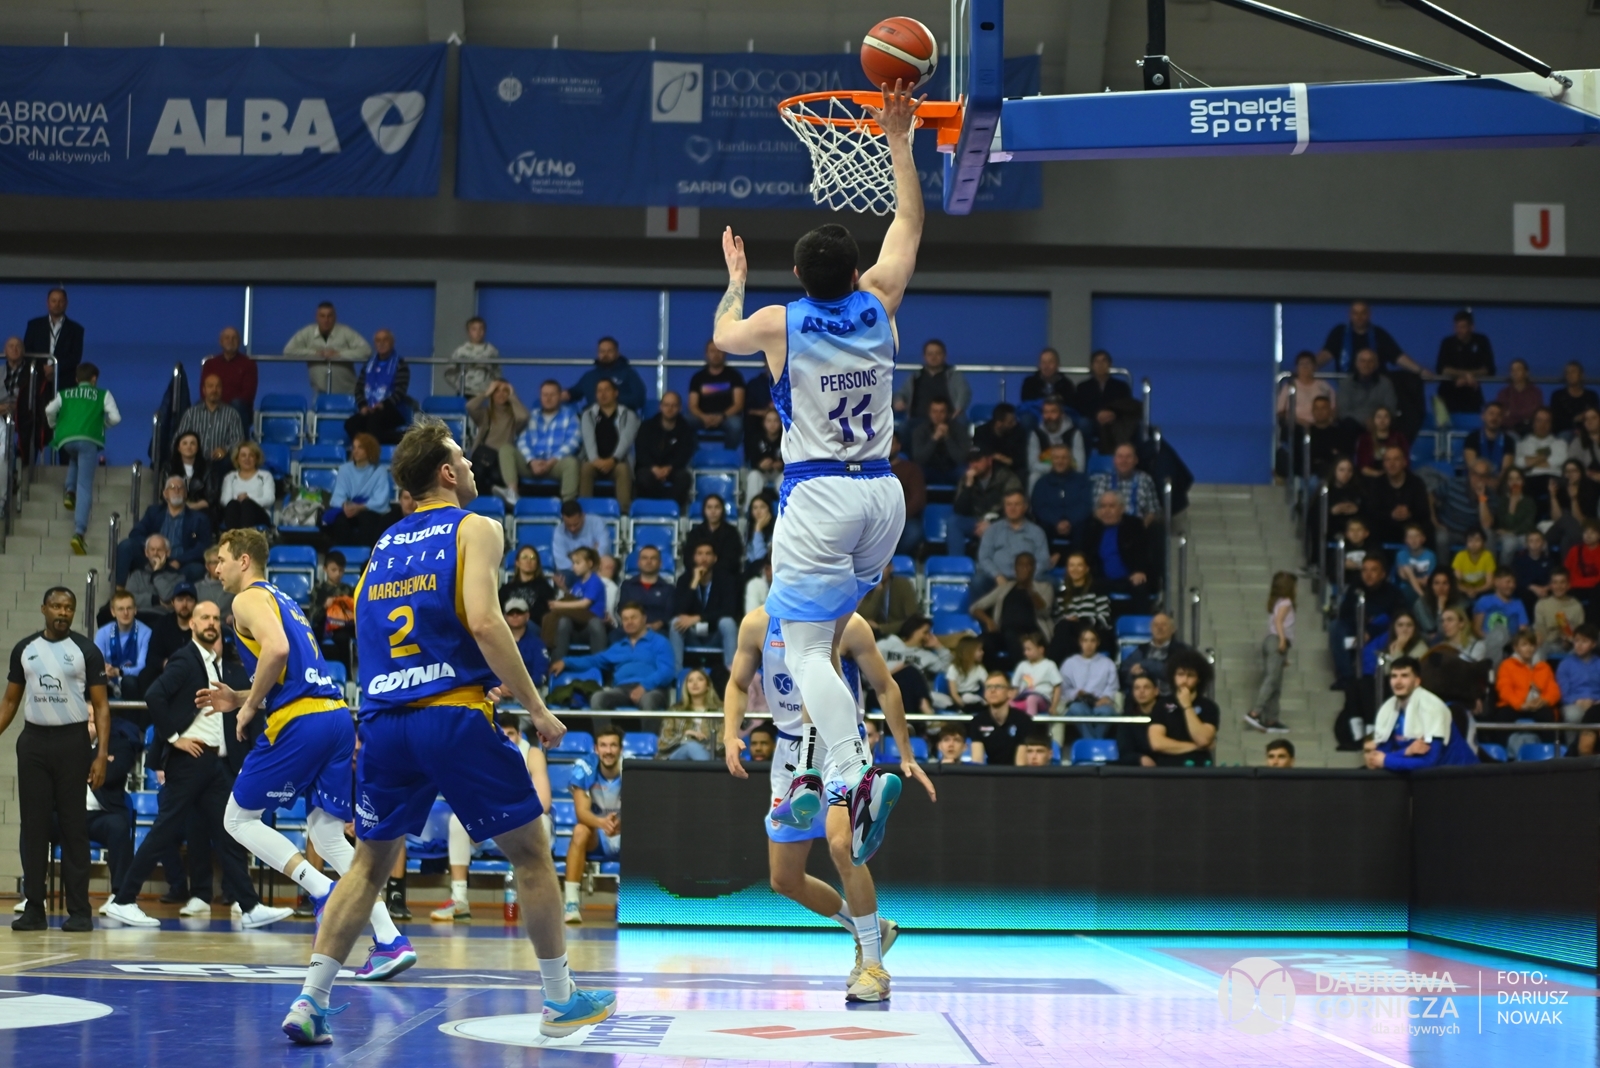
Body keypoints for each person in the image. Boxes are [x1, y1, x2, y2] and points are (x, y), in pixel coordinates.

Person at [281, 417, 613, 1043]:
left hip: (384, 721)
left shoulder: (382, 545)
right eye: (462, 456)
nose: (470, 464)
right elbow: (486, 622)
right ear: (445, 472)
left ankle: (310, 1000)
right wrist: (537, 708)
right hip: (452, 715)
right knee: (532, 853)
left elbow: (369, 634)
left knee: (367, 867)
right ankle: (560, 1000)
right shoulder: (476, 526)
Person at [713, 85, 921, 867]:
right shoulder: (880, 301)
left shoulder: (780, 322)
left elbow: (722, 334)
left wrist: (736, 276)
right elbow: (908, 225)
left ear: (799, 275)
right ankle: (829, 769)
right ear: (856, 271)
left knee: (801, 654)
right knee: (827, 638)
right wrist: (898, 141)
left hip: (820, 493)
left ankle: (854, 773)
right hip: (884, 496)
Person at [157, 532, 409, 969]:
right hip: (334, 716)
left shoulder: (246, 600)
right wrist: (240, 696)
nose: (216, 569)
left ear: (244, 560)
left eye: (222, 560)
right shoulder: (284, 599)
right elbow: (291, 671)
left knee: (237, 819)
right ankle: (389, 939)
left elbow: (277, 650)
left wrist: (248, 708)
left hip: (301, 722)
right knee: (327, 835)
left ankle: (322, 890)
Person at [722, 608, 934, 1001]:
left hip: (841, 744)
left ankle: (874, 967)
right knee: (784, 879)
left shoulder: (849, 623)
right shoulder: (756, 624)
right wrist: (730, 733)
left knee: (842, 846)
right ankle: (870, 929)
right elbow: (736, 684)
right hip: (790, 749)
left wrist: (906, 753)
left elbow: (886, 686)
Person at [98, 599, 296, 930]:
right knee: (164, 830)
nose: (211, 623)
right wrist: (174, 737)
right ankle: (123, 899)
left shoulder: (211, 661)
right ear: (191, 624)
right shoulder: (186, 659)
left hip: (214, 764)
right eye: (204, 618)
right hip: (190, 761)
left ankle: (250, 906)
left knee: (230, 832)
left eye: (215, 618)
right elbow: (154, 695)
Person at [0, 588, 109, 931]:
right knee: (34, 827)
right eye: (57, 606)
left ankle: (79, 911)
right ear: (43, 608)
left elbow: (101, 706)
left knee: (74, 827)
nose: (63, 612)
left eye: (69, 608)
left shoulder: (86, 651)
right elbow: (9, 701)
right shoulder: (25, 649)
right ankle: (34, 908)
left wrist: (101, 754)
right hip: (33, 743)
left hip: (72, 743)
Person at [431, 715, 552, 921]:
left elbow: (544, 803)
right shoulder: (479, 753)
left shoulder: (532, 754)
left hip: (520, 823)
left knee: (544, 822)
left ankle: (540, 901)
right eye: (499, 734)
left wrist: (511, 816)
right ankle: (459, 900)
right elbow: (467, 799)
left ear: (519, 735)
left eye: (510, 734)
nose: (504, 738)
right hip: (490, 824)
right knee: (458, 821)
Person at [44, 362, 121, 555]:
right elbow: (116, 418)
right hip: (88, 440)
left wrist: (54, 425)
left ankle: (69, 491)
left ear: (77, 379)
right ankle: (79, 532)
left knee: (74, 457)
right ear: (94, 379)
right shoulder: (103, 394)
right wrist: (102, 425)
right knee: (85, 487)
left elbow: (49, 410)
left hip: (66, 439)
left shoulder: (65, 393)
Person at [551, 601, 674, 711]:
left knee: (649, 700)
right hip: (622, 690)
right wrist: (566, 662)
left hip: (653, 689)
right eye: (625, 619)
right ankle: (606, 731)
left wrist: (644, 686)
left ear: (644, 619)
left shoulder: (659, 642)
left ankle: (650, 732)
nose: (629, 622)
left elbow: (667, 671)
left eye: (633, 617)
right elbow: (593, 660)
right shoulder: (618, 647)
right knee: (598, 698)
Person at [1364, 657, 1476, 770]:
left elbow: (1430, 761)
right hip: (1430, 777)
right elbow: (1380, 756)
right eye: (1394, 676)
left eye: (1404, 676)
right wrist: (1407, 751)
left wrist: (1387, 760)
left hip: (1463, 775)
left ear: (1417, 681)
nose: (1398, 682)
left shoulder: (1432, 707)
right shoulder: (1387, 709)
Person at [562, 726, 623, 923]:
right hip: (597, 835)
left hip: (624, 832)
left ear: (621, 749)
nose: (608, 751)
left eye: (613, 745)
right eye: (603, 745)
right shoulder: (585, 767)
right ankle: (571, 903)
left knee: (645, 831)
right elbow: (582, 813)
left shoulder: (632, 768)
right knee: (580, 830)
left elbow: (642, 811)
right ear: (596, 749)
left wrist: (620, 824)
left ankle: (627, 900)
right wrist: (602, 823)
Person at [969, 551, 1053, 670]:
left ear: (1033, 568)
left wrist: (1030, 589)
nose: (1024, 568)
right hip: (1004, 633)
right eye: (1020, 565)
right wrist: (988, 620)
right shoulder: (1005, 588)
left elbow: (1045, 611)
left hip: (1032, 634)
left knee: (1011, 635)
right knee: (982, 642)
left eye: (1028, 565)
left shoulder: (1044, 587)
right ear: (1015, 568)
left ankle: (1023, 672)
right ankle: (995, 673)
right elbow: (975, 608)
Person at [1329, 555, 1403, 689]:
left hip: (1380, 633)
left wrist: (1370, 632)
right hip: (1357, 630)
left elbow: (1398, 619)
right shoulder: (1355, 588)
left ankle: (1370, 679)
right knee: (1335, 627)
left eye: (1373, 570)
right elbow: (1344, 614)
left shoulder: (1393, 593)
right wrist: (1361, 629)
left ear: (1383, 574)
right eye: (1364, 570)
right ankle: (1347, 677)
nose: (1368, 575)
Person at [668, 543, 740, 669]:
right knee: (675, 623)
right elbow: (678, 610)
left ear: (715, 558)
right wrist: (694, 582)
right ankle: (676, 675)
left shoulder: (726, 579)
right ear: (694, 557)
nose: (704, 558)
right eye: (699, 554)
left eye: (708, 554)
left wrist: (699, 618)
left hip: (715, 633)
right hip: (692, 633)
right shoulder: (684, 579)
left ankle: (732, 673)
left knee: (728, 622)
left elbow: (729, 610)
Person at [975, 490, 1051, 600]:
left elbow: (1043, 560)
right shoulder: (992, 530)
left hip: (1029, 578)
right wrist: (997, 575)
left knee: (1052, 582)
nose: (1012, 508)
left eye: (1017, 504)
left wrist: (1026, 577)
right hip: (997, 579)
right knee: (978, 582)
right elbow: (984, 557)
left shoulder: (1037, 532)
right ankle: (981, 611)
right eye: (1009, 504)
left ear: (1025, 507)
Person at [1245, 571, 1297, 734]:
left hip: (1272, 642)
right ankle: (1255, 712)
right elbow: (1278, 621)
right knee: (1272, 679)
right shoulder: (1286, 602)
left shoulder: (1277, 602)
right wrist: (1282, 640)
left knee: (1276, 683)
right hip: (1276, 640)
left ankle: (1272, 719)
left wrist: (1284, 656)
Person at [1146, 654, 1219, 768]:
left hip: (1199, 769)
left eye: (1190, 675)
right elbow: (1157, 743)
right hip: (1168, 768)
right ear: (1173, 677)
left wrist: (1187, 706)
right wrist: (1196, 747)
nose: (1184, 680)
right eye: (1180, 674)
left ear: (1199, 679)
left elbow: (1203, 739)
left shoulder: (1208, 706)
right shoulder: (1161, 705)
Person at [284, 301, 371, 396]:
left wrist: (338, 354)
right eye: (322, 316)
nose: (326, 320)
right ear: (316, 317)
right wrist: (316, 353)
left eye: (330, 316)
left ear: (335, 317)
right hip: (320, 394)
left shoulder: (345, 332)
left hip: (348, 392)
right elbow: (288, 351)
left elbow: (366, 351)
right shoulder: (307, 332)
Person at [1082, 491, 1153, 605]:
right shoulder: (1092, 527)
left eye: (1111, 506)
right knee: (1089, 587)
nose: (1107, 511)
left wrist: (1140, 570)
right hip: (1102, 579)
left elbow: (1143, 552)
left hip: (1130, 577)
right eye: (1103, 506)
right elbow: (1085, 555)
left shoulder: (1134, 525)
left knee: (1140, 587)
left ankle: (1142, 617)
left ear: (1121, 509)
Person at [517, 380, 583, 501]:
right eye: (545, 395)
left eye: (552, 395)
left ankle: (568, 504)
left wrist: (550, 462)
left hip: (555, 464)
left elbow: (573, 442)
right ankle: (512, 495)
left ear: (560, 396)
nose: (548, 398)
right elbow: (522, 441)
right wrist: (532, 461)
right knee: (506, 450)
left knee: (571, 463)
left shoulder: (570, 415)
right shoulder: (533, 415)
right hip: (533, 465)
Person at [342, 330, 411, 446]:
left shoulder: (400, 364)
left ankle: (371, 451)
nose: (381, 343)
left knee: (373, 423)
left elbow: (400, 391)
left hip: (393, 410)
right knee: (351, 424)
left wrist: (383, 405)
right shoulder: (368, 364)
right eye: (378, 340)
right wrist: (363, 405)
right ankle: (366, 448)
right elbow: (359, 388)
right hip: (370, 410)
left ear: (392, 342)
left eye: (385, 340)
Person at [577, 378, 637, 511]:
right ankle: (584, 512)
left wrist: (613, 459)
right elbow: (588, 439)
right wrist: (595, 460)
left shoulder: (629, 415)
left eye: (607, 390)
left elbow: (626, 440)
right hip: (594, 462)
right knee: (586, 468)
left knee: (623, 469)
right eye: (599, 391)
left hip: (618, 462)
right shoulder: (588, 414)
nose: (603, 394)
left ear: (616, 393)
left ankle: (623, 514)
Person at [324, 433, 394, 546]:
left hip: (369, 510)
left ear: (369, 450)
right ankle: (343, 552)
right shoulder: (344, 470)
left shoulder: (380, 471)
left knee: (367, 519)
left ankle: (365, 554)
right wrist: (345, 505)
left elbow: (381, 499)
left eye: (360, 447)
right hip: (349, 508)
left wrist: (360, 507)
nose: (355, 451)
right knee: (341, 521)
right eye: (354, 447)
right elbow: (338, 495)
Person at [466, 378, 529, 503]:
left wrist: (512, 396)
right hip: (484, 458)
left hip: (502, 460)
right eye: (497, 391)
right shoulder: (485, 414)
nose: (501, 394)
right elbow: (470, 406)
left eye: (505, 391)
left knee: (498, 476)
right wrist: (486, 393)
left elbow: (524, 417)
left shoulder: (513, 416)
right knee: (476, 473)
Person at [542, 546, 608, 662]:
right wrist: (564, 588)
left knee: (559, 613)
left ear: (589, 563)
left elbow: (584, 604)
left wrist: (559, 606)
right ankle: (556, 661)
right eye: (573, 563)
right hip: (576, 625)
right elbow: (573, 598)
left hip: (590, 623)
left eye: (577, 563)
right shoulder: (578, 583)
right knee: (563, 621)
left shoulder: (594, 581)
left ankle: (599, 666)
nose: (574, 567)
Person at [1363, 446, 1434, 546]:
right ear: (1383, 464)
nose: (1392, 464)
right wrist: (1391, 514)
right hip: (1386, 526)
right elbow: (1372, 511)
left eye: (1396, 459)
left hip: (1411, 525)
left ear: (1404, 462)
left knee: (1427, 528)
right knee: (1371, 528)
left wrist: (1409, 513)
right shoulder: (1377, 484)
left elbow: (1423, 511)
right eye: (1388, 460)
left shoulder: (1416, 482)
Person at [1048, 551, 1112, 662]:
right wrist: (1067, 620)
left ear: (1086, 569)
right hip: (1068, 634)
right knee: (1065, 630)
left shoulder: (1098, 589)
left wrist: (1082, 620)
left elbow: (1105, 617)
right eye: (1071, 565)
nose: (1075, 569)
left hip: (1092, 632)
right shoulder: (1061, 595)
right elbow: (1056, 620)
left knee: (1066, 631)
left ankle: (1051, 665)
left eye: (1079, 565)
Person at [635, 390, 696, 505]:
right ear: (660, 407)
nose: (670, 409)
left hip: (674, 468)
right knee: (643, 477)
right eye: (666, 405)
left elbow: (684, 453)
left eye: (674, 405)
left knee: (684, 478)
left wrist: (668, 468)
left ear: (680, 408)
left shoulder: (685, 429)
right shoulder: (647, 426)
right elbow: (641, 451)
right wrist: (654, 468)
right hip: (650, 468)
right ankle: (653, 506)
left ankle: (671, 506)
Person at [175, 372, 246, 469]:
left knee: (226, 462)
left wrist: (225, 450)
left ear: (222, 390)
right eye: (210, 386)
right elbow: (179, 438)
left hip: (219, 462)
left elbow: (239, 441)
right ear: (204, 390)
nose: (214, 390)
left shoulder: (232, 414)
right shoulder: (191, 413)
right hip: (194, 460)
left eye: (218, 387)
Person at [894, 339, 971, 425]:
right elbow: (901, 393)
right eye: (930, 354)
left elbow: (964, 392)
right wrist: (899, 401)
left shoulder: (954, 376)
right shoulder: (915, 376)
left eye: (937, 354)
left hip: (948, 421)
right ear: (924, 356)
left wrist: (958, 409)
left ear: (945, 356)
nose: (933, 357)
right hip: (918, 421)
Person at [1434, 309, 1495, 417]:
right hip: (1447, 393)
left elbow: (1489, 369)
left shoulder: (1482, 341)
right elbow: (1442, 369)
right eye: (1457, 327)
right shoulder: (1447, 342)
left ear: (1472, 327)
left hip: (1472, 395)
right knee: (1443, 425)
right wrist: (1467, 376)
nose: (1459, 330)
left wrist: (1466, 377)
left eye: (1463, 327)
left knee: (1474, 423)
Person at [1077, 349, 1139, 453]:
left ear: (1110, 364)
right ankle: (1084, 456)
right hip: (1092, 421)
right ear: (1092, 366)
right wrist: (1097, 415)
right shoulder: (1082, 387)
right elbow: (1079, 407)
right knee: (1083, 424)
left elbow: (1127, 406)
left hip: (1116, 421)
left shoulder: (1121, 386)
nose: (1100, 365)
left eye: (1104, 361)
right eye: (1097, 361)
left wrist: (1113, 414)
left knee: (1135, 426)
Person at [686, 340, 746, 448]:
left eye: (719, 351)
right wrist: (704, 417)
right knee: (683, 422)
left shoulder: (735, 376)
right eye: (712, 351)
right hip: (702, 417)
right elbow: (692, 405)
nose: (716, 354)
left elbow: (738, 404)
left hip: (727, 417)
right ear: (706, 354)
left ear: (725, 353)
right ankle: (694, 454)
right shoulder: (697, 377)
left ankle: (728, 455)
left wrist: (721, 416)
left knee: (736, 425)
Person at [1060, 627, 1118, 738]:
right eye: (1085, 640)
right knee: (1076, 709)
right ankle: (1095, 743)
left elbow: (1112, 687)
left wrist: (1106, 697)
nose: (1089, 644)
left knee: (1106, 712)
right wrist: (1076, 693)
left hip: (1101, 702)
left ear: (1097, 643)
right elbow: (1063, 689)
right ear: (1080, 642)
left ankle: (1090, 743)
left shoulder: (1107, 663)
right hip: (1079, 702)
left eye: (1092, 640)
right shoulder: (1070, 663)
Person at [23, 286, 85, 389]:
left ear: (66, 303)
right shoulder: (34, 325)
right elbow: (27, 352)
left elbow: (75, 357)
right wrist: (42, 368)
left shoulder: (76, 329)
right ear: (47, 303)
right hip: (37, 379)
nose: (57, 304)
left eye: (61, 301)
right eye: (54, 301)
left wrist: (54, 368)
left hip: (64, 381)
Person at [1492, 627, 1560, 720]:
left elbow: (1554, 691)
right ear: (1516, 648)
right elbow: (1504, 690)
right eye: (1524, 645)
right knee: (1503, 716)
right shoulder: (1506, 665)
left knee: (1547, 715)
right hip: (1514, 705)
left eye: (1532, 645)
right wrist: (1521, 705)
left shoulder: (1544, 667)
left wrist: (1544, 701)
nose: (1529, 648)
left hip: (1538, 705)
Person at [1118, 611, 1192, 697]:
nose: (1159, 628)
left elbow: (1171, 672)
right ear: (1151, 629)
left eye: (1164, 625)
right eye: (1156, 625)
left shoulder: (1182, 650)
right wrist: (1134, 674)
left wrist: (1145, 664)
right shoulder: (1142, 649)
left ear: (1173, 629)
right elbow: (1124, 670)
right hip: (1143, 698)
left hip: (1171, 697)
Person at [96, 589, 152, 701]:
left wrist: (119, 672)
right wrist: (105, 670)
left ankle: (131, 714)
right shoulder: (103, 632)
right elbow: (96, 662)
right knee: (94, 681)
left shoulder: (146, 632)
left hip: (133, 681)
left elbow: (142, 667)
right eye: (120, 609)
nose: (125, 613)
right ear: (113, 612)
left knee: (129, 682)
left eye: (129, 608)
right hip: (109, 679)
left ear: (135, 610)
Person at [563, 336, 646, 411]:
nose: (605, 354)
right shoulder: (589, 376)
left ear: (617, 353)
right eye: (602, 351)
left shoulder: (628, 373)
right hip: (593, 419)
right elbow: (573, 393)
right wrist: (560, 395)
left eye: (609, 351)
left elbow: (639, 399)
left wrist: (612, 400)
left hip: (623, 418)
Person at [201, 326, 258, 429]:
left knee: (237, 404)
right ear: (221, 341)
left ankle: (239, 439)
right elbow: (204, 390)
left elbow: (248, 395)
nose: (230, 341)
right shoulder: (210, 364)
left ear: (239, 342)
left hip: (237, 409)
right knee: (199, 406)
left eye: (234, 338)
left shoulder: (249, 364)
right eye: (227, 338)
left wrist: (224, 408)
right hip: (214, 404)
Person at [967, 672, 1028, 766]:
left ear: (1009, 692)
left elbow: (1021, 764)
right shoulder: (978, 721)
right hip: (989, 774)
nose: (992, 690)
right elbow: (977, 760)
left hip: (1015, 773)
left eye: (998, 686)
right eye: (988, 687)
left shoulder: (1023, 720)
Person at [1090, 444, 1160, 526]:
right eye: (1120, 457)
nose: (1124, 461)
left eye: (1128, 457)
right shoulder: (1103, 480)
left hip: (1138, 528)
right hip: (1109, 527)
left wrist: (1140, 529)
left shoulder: (1145, 480)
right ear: (1114, 460)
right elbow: (1096, 510)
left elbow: (1153, 512)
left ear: (1136, 460)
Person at [1558, 624, 1600, 756]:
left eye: (1584, 641)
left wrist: (1596, 702)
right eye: (1576, 641)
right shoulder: (1565, 664)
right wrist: (1578, 701)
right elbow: (1563, 693)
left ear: (1593, 644)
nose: (1579, 645)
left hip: (1597, 704)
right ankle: (1573, 754)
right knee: (1573, 715)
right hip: (1574, 703)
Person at [1026, 397, 1086, 490]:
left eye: (1053, 412)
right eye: (1045, 412)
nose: (1049, 416)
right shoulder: (1036, 434)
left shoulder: (1074, 433)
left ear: (1062, 414)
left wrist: (1062, 468)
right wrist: (1055, 467)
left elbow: (1079, 467)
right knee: (1033, 477)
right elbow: (1032, 465)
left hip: (1069, 473)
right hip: (1045, 474)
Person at [660, 669, 720, 760]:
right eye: (690, 681)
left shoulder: (719, 711)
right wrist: (685, 736)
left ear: (708, 686)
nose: (694, 683)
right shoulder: (675, 710)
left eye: (700, 679)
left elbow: (724, 742)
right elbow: (664, 741)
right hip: (679, 755)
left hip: (711, 754)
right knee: (691, 746)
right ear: (686, 687)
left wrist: (704, 742)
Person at [1482, 466, 1536, 565]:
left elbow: (1528, 524)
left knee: (1539, 544)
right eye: (1511, 479)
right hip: (1504, 536)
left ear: (1523, 481)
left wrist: (1513, 532)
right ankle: (1503, 571)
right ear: (1507, 482)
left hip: (1522, 534)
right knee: (1510, 543)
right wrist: (1512, 506)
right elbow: (1504, 524)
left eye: (1518, 479)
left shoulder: (1529, 501)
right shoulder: (1502, 501)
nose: (1515, 482)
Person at [1336, 348, 1399, 432]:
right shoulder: (1346, 383)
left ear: (1376, 364)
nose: (1366, 365)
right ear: (1357, 364)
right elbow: (1343, 411)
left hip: (1379, 422)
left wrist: (1375, 420)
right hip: (1353, 424)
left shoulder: (1385, 383)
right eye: (1363, 361)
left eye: (1370, 361)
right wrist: (1364, 420)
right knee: (1347, 424)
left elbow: (1390, 409)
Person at [911, 397, 971, 483]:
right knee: (915, 472)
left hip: (952, 468)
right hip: (928, 469)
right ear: (929, 413)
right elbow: (919, 458)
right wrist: (934, 438)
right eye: (934, 411)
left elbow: (961, 458)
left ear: (948, 414)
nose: (937, 415)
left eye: (942, 412)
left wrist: (947, 438)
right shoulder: (920, 430)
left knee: (965, 472)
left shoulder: (959, 430)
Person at [683, 493, 742, 580]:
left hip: (724, 575)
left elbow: (732, 560)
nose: (713, 511)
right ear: (704, 510)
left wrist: (710, 571)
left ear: (722, 510)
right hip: (698, 573)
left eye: (717, 507)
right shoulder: (695, 533)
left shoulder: (731, 533)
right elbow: (688, 558)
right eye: (709, 507)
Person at [219, 441, 275, 531]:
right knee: (233, 504)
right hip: (235, 513)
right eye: (243, 455)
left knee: (247, 504)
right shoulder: (230, 477)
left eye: (251, 455)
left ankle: (245, 537)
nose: (247, 459)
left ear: (256, 458)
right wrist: (239, 499)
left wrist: (248, 498)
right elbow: (224, 500)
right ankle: (233, 536)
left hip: (260, 515)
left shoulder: (265, 476)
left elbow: (269, 499)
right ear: (237, 459)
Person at [858, 560, 919, 640]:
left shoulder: (903, 585)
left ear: (891, 568)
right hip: (873, 637)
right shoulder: (866, 587)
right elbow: (864, 619)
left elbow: (913, 621)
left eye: (883, 567)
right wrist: (877, 592)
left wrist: (881, 628)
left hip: (900, 637)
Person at [1548, 459, 1598, 555]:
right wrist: (1553, 496)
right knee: (1566, 517)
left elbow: (1582, 521)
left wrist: (1574, 499)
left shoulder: (1591, 489)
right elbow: (1557, 519)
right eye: (1567, 471)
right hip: (1563, 528)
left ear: (1581, 473)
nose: (1570, 474)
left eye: (1574, 471)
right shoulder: (1560, 489)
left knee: (1566, 540)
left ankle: (1566, 565)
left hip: (1581, 528)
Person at [551, 499, 613, 576]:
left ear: (583, 516)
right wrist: (587, 562)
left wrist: (578, 563)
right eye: (568, 525)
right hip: (572, 572)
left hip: (596, 569)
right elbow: (561, 562)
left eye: (576, 524)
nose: (572, 529)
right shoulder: (559, 531)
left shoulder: (597, 523)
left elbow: (603, 549)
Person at [445, 316, 502, 399]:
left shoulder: (491, 351)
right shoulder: (461, 351)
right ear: (468, 332)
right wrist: (459, 385)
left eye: (481, 329)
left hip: (485, 392)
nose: (478, 332)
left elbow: (497, 372)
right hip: (465, 392)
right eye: (474, 329)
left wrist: (491, 386)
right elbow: (449, 372)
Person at [1276, 350, 1335, 428]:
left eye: (1308, 363)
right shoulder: (1289, 386)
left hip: (1321, 427)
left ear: (1314, 367)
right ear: (1296, 368)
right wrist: (1296, 420)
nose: (1305, 367)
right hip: (1296, 426)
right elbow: (1280, 411)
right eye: (1301, 364)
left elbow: (1333, 409)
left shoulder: (1324, 386)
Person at [1009, 632, 1062, 716]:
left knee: (1031, 699)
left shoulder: (1049, 665)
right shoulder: (1022, 665)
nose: (1025, 653)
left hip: (1042, 699)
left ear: (1041, 650)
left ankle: (1029, 724)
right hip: (1023, 698)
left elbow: (1057, 687)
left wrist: (1054, 706)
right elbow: (1015, 687)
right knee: (1008, 704)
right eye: (1025, 650)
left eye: (1029, 649)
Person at [502, 599, 551, 689]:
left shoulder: (537, 644)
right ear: (505, 617)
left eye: (519, 612)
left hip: (530, 690)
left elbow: (541, 674)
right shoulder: (496, 643)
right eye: (510, 613)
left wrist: (518, 687)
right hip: (501, 690)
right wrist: (499, 686)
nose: (515, 616)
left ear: (527, 616)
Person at [1415, 569, 1469, 643]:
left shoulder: (1459, 602)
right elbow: (1435, 632)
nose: (1441, 587)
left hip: (1457, 640)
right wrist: (1440, 608)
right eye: (1436, 583)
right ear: (1431, 586)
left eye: (1445, 583)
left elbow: (1464, 627)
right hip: (1429, 643)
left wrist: (1441, 608)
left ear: (1451, 586)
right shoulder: (1421, 604)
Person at [1462, 402, 1515, 474]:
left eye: (1499, 415)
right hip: (1477, 478)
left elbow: (1505, 470)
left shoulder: (1508, 440)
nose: (1494, 418)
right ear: (1483, 416)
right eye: (1491, 414)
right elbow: (1471, 466)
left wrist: (1496, 480)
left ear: (1502, 419)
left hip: (1499, 479)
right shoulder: (1472, 438)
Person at [1354, 406, 1408, 477]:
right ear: (1374, 419)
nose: (1382, 420)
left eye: (1386, 417)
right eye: (1379, 417)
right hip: (1371, 478)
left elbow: (1404, 461)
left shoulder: (1399, 437)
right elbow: (1362, 467)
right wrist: (1379, 476)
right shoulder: (1365, 439)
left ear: (1390, 420)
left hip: (1395, 476)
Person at [1551, 360, 1600, 437]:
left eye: (1573, 372)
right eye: (1567, 372)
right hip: (1565, 433)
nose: (1570, 375)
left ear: (1582, 375)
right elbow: (1556, 420)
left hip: (1587, 431)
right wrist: (1575, 420)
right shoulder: (1557, 396)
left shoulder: (1591, 396)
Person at [974, 403, 1028, 472]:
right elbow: (980, 454)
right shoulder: (982, 432)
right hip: (988, 470)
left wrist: (997, 456)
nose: (1014, 424)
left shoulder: (1019, 432)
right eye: (1010, 422)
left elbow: (1020, 460)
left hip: (1012, 470)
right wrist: (1001, 458)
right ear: (999, 423)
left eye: (1015, 420)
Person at [1494, 359, 1543, 434]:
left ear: (1526, 373)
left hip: (1529, 430)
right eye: (1512, 370)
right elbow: (1502, 415)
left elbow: (1533, 413)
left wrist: (1511, 413)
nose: (1515, 372)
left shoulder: (1535, 392)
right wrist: (1523, 413)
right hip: (1508, 429)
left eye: (1518, 369)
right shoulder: (1503, 393)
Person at [1395, 523, 1438, 605]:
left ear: (1423, 538)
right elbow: (1403, 576)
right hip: (1406, 588)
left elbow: (1430, 579)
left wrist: (1412, 578)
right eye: (1410, 537)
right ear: (1405, 540)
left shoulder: (1430, 555)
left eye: (1416, 536)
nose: (1413, 540)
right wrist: (1420, 582)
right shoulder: (1401, 554)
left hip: (1426, 587)